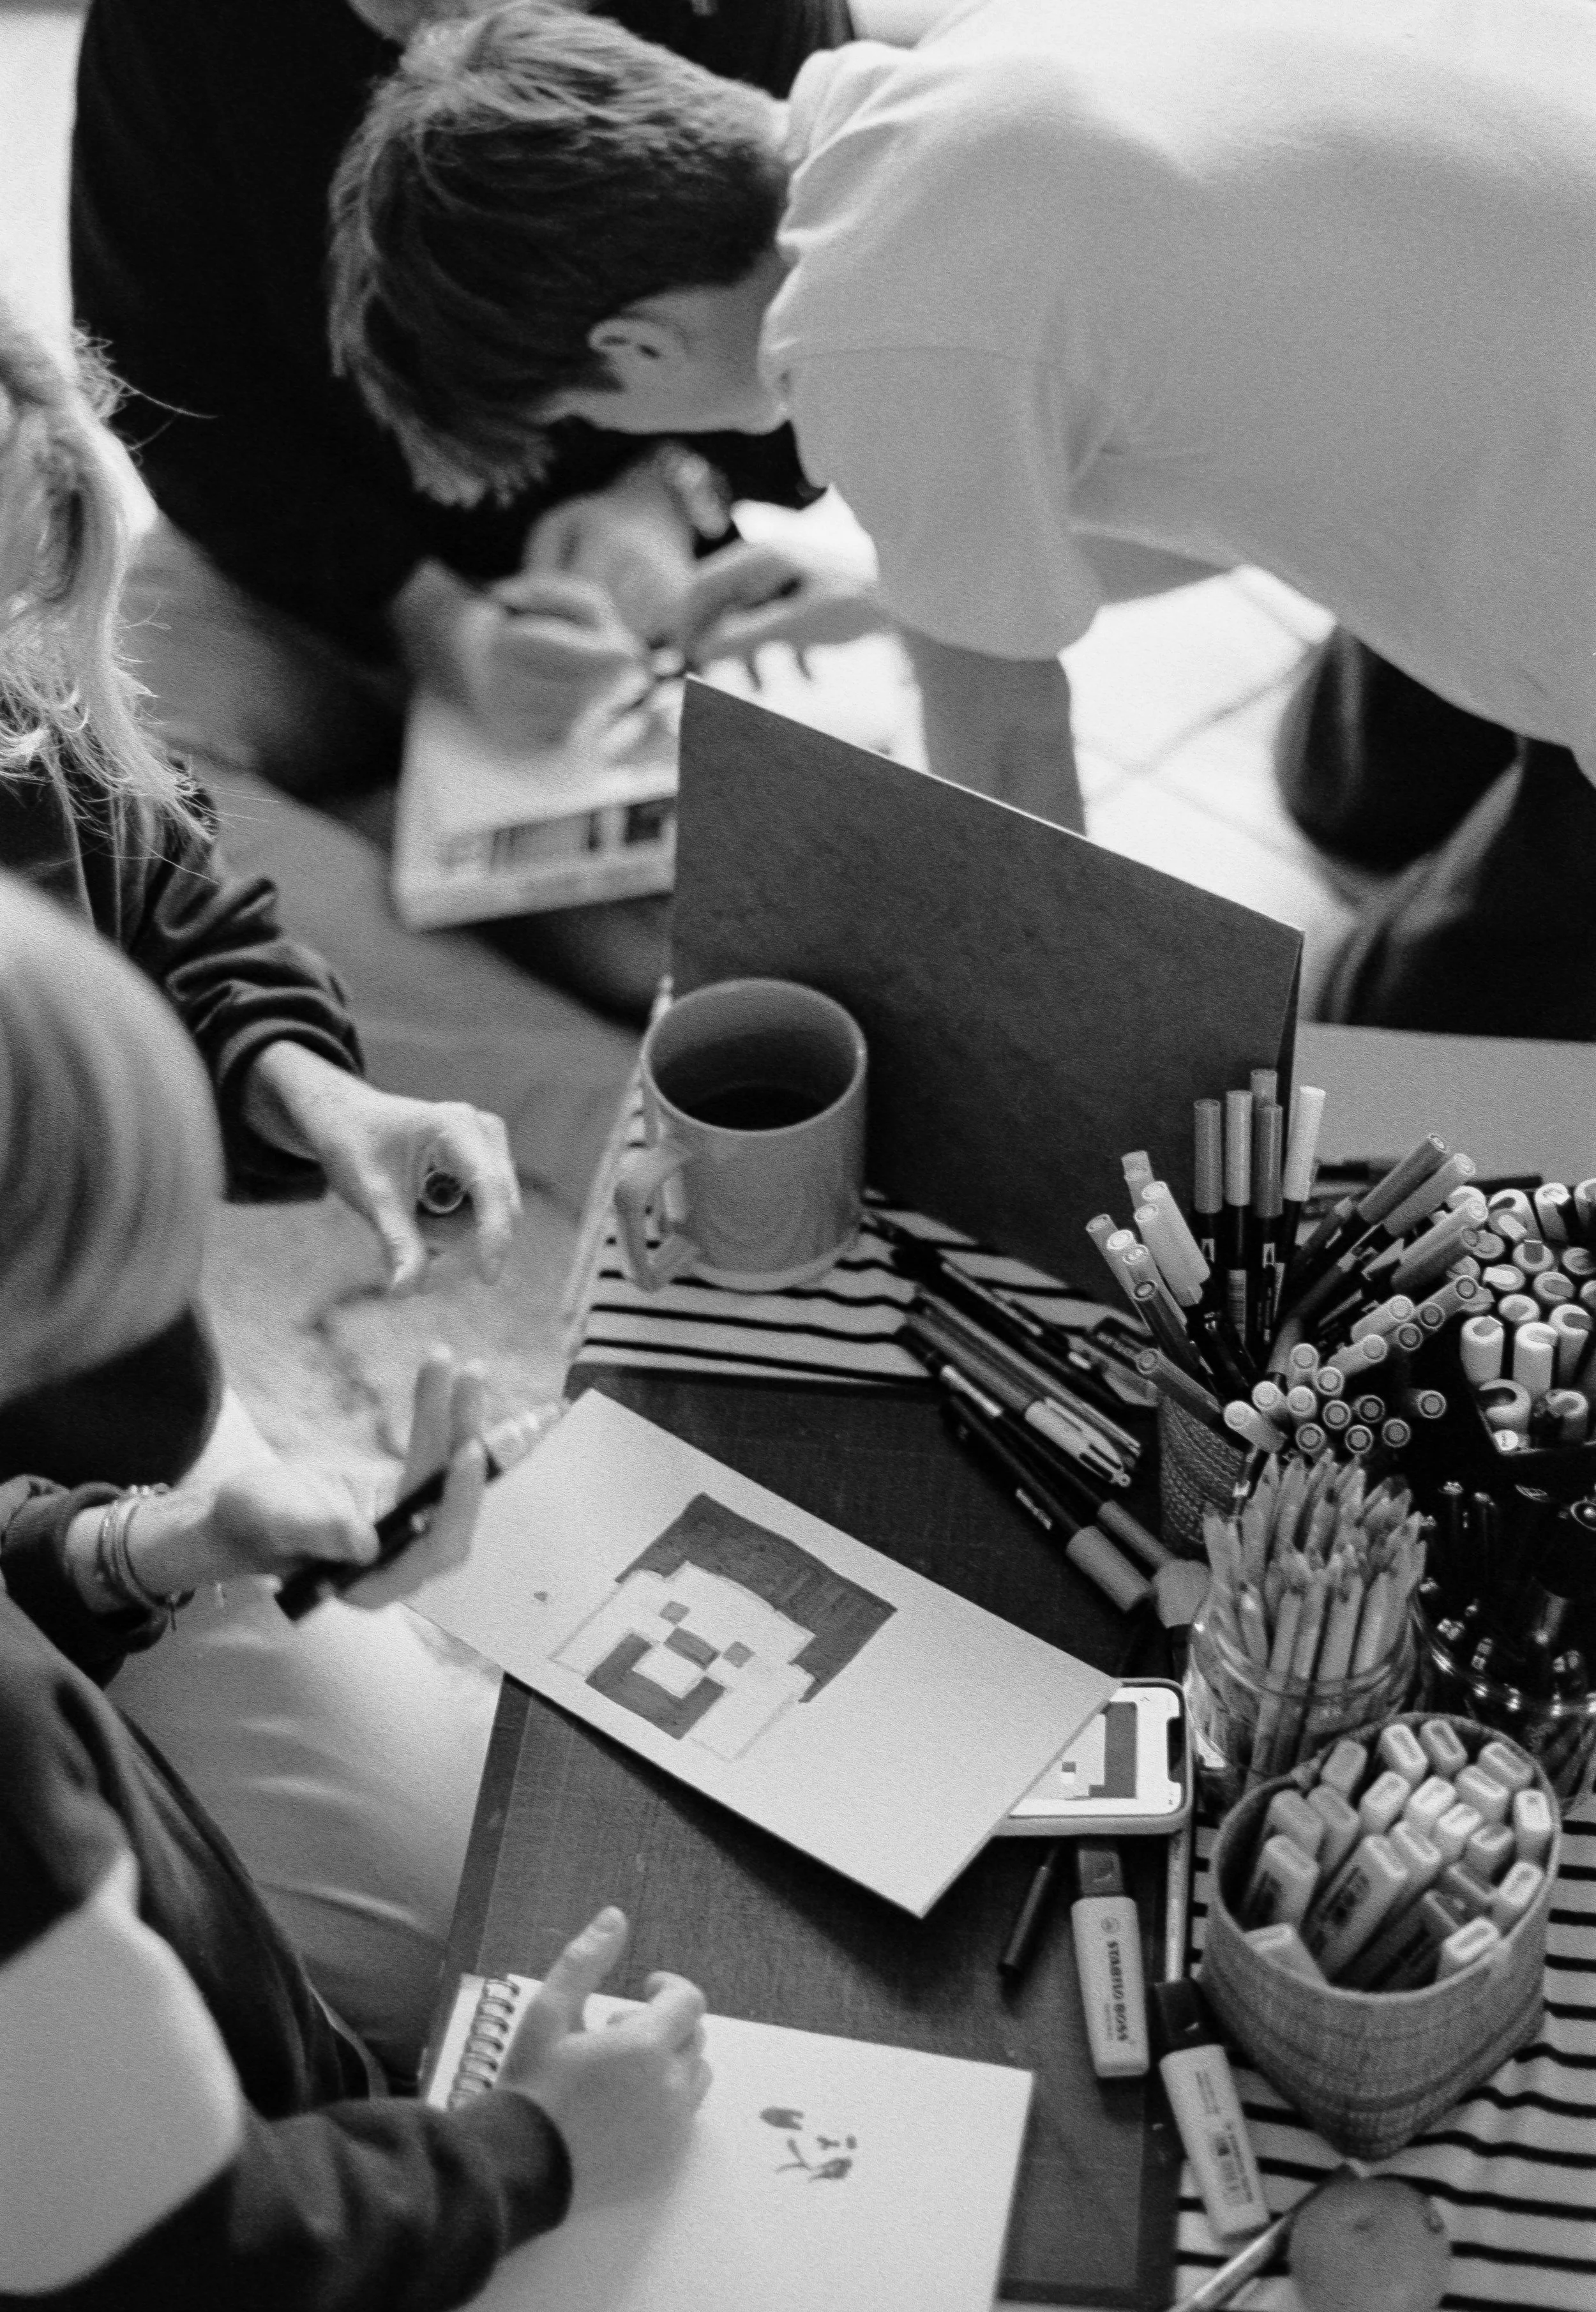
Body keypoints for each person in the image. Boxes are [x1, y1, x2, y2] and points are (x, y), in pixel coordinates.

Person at [328, 0, 1596, 1039]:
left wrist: (1051, 1056)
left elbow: (1007, 769)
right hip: (1540, 377)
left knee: (1367, 1065)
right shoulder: (939, 81)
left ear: (635, 343)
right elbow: (1191, 468)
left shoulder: (864, 324)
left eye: (592, 412)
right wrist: (906, 594)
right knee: (1340, 796)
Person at [0, 872, 710, 2312]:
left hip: (176, 2100)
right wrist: (531, 2152)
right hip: (221, 2272)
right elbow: (199, 2278)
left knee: (467, 1898)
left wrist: (154, 1545)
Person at [0, 291, 523, 2065]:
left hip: (112, 1476)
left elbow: (165, 872)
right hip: (57, 1558)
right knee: (335, 2017)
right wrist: (151, 1550)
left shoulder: (22, 711)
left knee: (496, 1879)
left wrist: (317, 1100)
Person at [68, 0, 914, 1030]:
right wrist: (428, 620)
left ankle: (388, 875)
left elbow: (820, 315)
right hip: (279, 566)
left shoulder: (748, 31)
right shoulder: (172, 31)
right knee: (95, 797)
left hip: (631, 588)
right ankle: (585, 1097)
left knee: (760, 928)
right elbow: (154, 377)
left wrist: (667, 495)